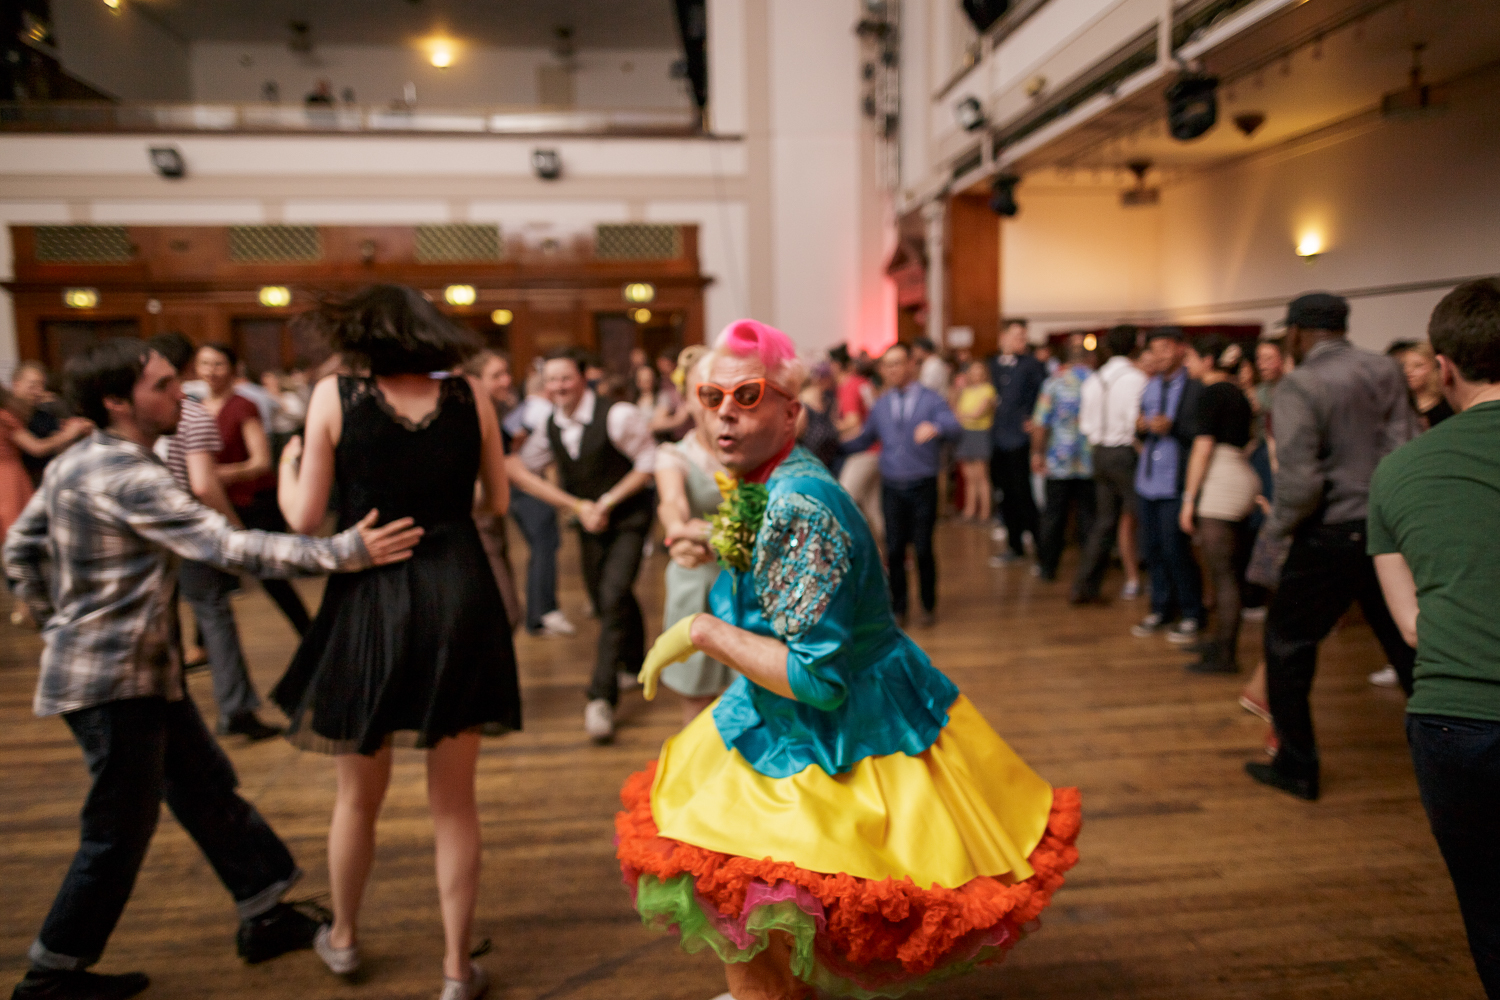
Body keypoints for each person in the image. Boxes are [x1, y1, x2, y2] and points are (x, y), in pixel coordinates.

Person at [616, 318, 1081, 1000]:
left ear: (792, 411)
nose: (723, 414)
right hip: (776, 715)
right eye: (710, 397)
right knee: (755, 904)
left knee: (774, 891)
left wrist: (704, 632)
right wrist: (708, 540)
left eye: (747, 397)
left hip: (834, 735)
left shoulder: (800, 506)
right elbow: (768, 561)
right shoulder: (765, 476)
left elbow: (817, 678)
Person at [2, 338, 423, 1000]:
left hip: (136, 673)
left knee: (205, 787)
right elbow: (227, 546)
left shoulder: (78, 459)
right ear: (117, 401)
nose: (183, 396)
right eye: (166, 386)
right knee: (116, 832)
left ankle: (264, 908)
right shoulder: (127, 474)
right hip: (114, 682)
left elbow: (21, 547)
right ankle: (51, 975)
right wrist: (346, 551)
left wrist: (48, 613)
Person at [273, 285, 520, 999]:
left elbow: (305, 518)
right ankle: (454, 969)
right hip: (458, 592)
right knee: (455, 803)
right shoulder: (470, 394)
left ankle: (344, 939)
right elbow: (497, 502)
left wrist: (291, 468)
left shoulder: (333, 396)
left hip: (371, 597)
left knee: (357, 798)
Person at [1369, 278, 1500, 998]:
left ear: (1443, 367)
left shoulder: (1398, 471)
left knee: (1489, 907)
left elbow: (1413, 625)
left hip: (1458, 717)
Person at [1244, 292, 1417, 802]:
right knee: (1406, 646)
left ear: (1297, 333)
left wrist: (1275, 529)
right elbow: (1403, 449)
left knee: (1287, 646)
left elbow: (1300, 481)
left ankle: (1298, 767)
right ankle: (1455, 753)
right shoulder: (1383, 368)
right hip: (1383, 529)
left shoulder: (1301, 382)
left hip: (1330, 533)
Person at [505, 347, 656, 744]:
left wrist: (606, 503)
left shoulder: (618, 416)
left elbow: (647, 463)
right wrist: (575, 506)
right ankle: (635, 663)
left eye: (565, 378)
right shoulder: (549, 427)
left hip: (629, 519)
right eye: (551, 380)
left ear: (584, 377)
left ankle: (600, 697)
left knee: (610, 595)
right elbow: (516, 468)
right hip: (589, 524)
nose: (558, 387)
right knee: (609, 594)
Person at [149, 334, 282, 742]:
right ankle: (235, 709)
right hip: (188, 527)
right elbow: (203, 485)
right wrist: (232, 532)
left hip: (153, 530)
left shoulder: (147, 416)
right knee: (213, 615)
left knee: (165, 621)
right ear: (189, 367)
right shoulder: (191, 413)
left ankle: (171, 714)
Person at [842, 342, 963, 627]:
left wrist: (938, 427)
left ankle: (928, 605)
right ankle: (899, 608)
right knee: (894, 550)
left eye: (898, 363)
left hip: (923, 485)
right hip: (892, 487)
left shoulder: (931, 400)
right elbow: (864, 438)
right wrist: (827, 442)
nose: (893, 369)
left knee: (922, 548)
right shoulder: (882, 404)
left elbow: (955, 426)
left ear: (911, 365)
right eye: (887, 365)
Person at [196, 343, 313, 637]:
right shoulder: (194, 407)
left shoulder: (243, 405)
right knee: (210, 576)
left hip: (253, 501)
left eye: (218, 364)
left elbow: (261, 462)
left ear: (233, 369)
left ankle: (310, 634)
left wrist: (219, 475)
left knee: (271, 576)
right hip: (217, 501)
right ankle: (201, 644)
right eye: (205, 364)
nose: (211, 371)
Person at [652, 346, 733, 724]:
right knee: (698, 701)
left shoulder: (754, 449)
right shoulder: (675, 454)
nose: (717, 404)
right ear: (686, 400)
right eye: (705, 392)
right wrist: (677, 532)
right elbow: (671, 502)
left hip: (749, 583)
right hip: (698, 581)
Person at [1177, 337, 1261, 673]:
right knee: (1226, 571)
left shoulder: (1212, 392)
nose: (1187, 364)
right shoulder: (1238, 391)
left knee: (1223, 574)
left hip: (1221, 481)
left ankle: (1225, 654)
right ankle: (1218, 643)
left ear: (1207, 360)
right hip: (1240, 472)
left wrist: (1188, 499)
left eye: (1191, 357)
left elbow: (1202, 448)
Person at [1130, 328, 1205, 644]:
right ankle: (1160, 609)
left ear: (1179, 350)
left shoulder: (1195, 388)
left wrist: (1173, 428)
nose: (1158, 356)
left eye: (1164, 349)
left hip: (1176, 480)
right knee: (1152, 549)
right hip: (1148, 480)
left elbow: (1202, 433)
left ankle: (1192, 612)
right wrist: (1142, 428)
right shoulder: (1150, 387)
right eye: (1153, 350)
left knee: (1177, 550)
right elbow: (1142, 430)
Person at [1071, 325, 1148, 604]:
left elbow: (1086, 424)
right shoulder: (1136, 378)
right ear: (1135, 345)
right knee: (1144, 516)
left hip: (1099, 453)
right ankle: (1148, 581)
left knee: (1105, 522)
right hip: (1124, 453)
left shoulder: (1094, 379)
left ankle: (1084, 586)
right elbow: (1136, 421)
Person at [501, 387, 577, 638]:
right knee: (544, 548)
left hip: (526, 484)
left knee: (544, 547)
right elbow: (512, 438)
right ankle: (542, 614)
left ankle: (542, 613)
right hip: (529, 486)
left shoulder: (529, 407)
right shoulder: (539, 409)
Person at [467, 349, 524, 631]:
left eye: (506, 373)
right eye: (496, 376)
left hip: (492, 521)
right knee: (506, 613)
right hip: (476, 523)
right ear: (475, 380)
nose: (506, 381)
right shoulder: (470, 418)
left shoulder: (493, 413)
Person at [1030, 341, 1096, 582]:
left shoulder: (1054, 383)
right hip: (1090, 459)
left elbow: (1040, 422)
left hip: (1059, 459)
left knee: (1053, 516)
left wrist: (1037, 453)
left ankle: (1048, 567)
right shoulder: (1095, 382)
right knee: (1088, 517)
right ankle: (1089, 569)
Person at [988, 320, 1046, 562]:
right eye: (1016, 336)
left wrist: (1035, 419)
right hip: (996, 438)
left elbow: (1043, 395)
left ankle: (1041, 549)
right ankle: (1014, 546)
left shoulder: (1032, 365)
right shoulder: (992, 365)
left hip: (1020, 439)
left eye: (1024, 336)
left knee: (1024, 493)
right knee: (1005, 494)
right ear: (1004, 338)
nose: (1021, 340)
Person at [829, 344, 883, 538]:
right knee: (874, 507)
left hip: (863, 451)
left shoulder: (848, 386)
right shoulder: (864, 382)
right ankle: (892, 556)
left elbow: (854, 421)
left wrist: (830, 429)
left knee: (844, 500)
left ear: (835, 365)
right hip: (878, 449)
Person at [11, 362, 90, 488]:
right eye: (32, 385)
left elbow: (58, 448)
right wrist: (67, 435)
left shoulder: (45, 415)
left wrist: (77, 430)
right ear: (16, 384)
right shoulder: (7, 414)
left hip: (44, 478)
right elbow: (36, 448)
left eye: (41, 385)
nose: (38, 391)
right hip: (14, 479)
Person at [953, 359, 997, 523]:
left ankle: (985, 511)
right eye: (974, 370)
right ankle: (970, 510)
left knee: (981, 476)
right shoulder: (966, 391)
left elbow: (978, 413)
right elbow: (956, 410)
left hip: (979, 433)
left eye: (980, 370)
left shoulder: (988, 390)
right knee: (968, 476)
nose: (977, 374)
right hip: (965, 433)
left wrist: (964, 415)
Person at [1390, 340, 1455, 431]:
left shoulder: (1449, 407)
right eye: (1403, 365)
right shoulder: (1397, 405)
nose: (1408, 371)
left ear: (1434, 368)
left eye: (1417, 366)